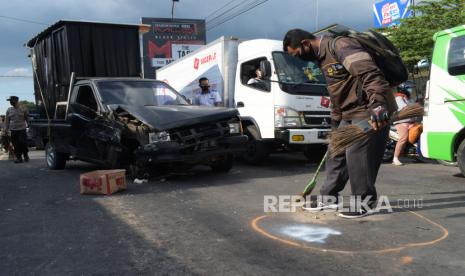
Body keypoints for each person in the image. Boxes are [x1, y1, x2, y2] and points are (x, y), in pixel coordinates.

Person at [283, 29, 397, 218]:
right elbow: (338, 90)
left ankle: (364, 202)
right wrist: (336, 119)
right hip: (347, 113)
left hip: (367, 111)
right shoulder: (322, 58)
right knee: (336, 153)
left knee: (357, 155)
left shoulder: (340, 45)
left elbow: (369, 72)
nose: (299, 59)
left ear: (304, 44)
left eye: (297, 54)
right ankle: (328, 197)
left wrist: (378, 104)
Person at [392, 83, 415, 166]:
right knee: (403, 138)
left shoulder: (409, 98)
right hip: (401, 122)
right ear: (403, 89)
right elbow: (404, 108)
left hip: (410, 121)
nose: (411, 90)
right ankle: (395, 158)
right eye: (409, 88)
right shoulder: (398, 98)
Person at [5, 96, 29, 163]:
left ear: (16, 100)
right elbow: (7, 121)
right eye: (9, 101)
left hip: (22, 129)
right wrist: (5, 130)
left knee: (22, 142)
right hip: (13, 130)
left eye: (11, 101)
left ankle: (25, 155)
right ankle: (19, 158)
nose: (10, 102)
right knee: (16, 144)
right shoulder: (9, 110)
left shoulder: (23, 108)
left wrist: (29, 126)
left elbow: (27, 118)